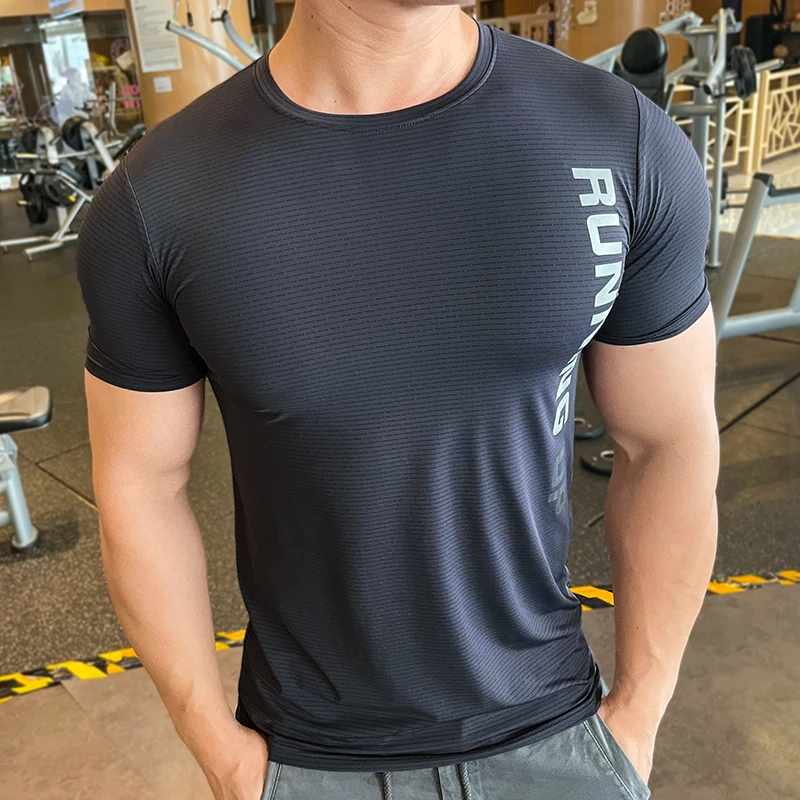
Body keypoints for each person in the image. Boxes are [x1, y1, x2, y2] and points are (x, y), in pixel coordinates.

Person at [76, 2, 719, 799]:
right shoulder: (157, 198)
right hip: (305, 762)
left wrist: (639, 716)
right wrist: (218, 748)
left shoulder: (620, 139)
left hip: (560, 741)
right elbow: (140, 485)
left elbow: (668, 443)